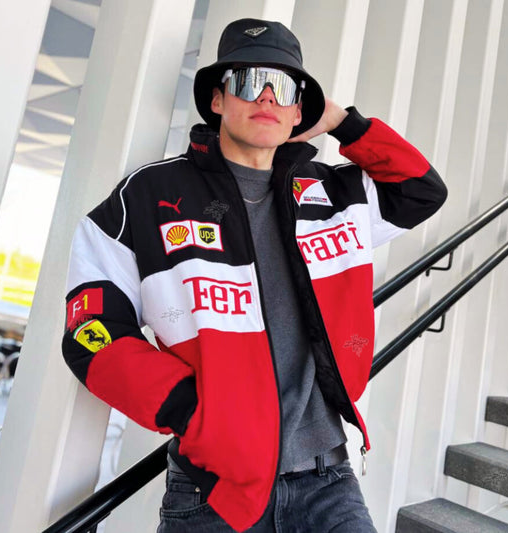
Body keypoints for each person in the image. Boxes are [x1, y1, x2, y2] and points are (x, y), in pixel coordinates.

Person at [62, 18, 447, 533]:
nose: (266, 96)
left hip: (328, 480)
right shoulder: (147, 197)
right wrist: (192, 412)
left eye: (283, 87)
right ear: (217, 99)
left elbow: (422, 191)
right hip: (214, 492)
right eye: (248, 81)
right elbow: (91, 331)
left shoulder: (335, 194)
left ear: (299, 111)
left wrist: (342, 122)